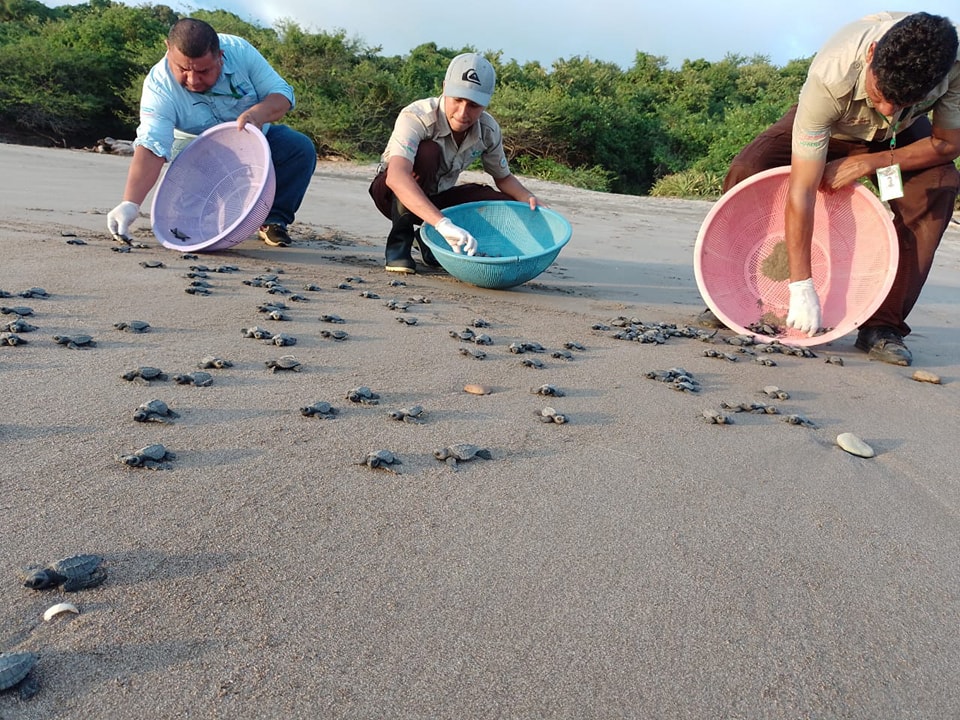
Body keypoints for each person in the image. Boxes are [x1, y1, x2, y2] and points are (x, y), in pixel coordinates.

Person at [722, 11, 960, 366]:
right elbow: (802, 190)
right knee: (748, 167)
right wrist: (802, 287)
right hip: (833, 126)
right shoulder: (830, 74)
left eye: (903, 101)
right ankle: (733, 296)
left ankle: (883, 326)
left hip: (898, 139)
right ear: (871, 54)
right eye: (880, 94)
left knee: (938, 186)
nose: (887, 108)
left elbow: (949, 143)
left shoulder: (952, 69)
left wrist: (870, 163)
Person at [107, 18, 316, 248]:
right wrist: (130, 202)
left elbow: (282, 94)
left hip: (254, 140)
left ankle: (273, 220)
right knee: (186, 222)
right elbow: (152, 146)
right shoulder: (159, 87)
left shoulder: (240, 51)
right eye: (183, 69)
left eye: (203, 70)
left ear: (220, 55)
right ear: (168, 48)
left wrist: (257, 114)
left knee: (299, 149)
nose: (193, 80)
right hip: (196, 151)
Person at [369, 52, 542, 273]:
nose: (463, 113)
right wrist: (443, 224)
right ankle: (399, 244)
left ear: (486, 102)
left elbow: (504, 177)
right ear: (444, 88)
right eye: (457, 100)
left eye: (473, 105)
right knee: (427, 152)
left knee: (495, 200)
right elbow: (397, 176)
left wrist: (528, 199)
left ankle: (428, 241)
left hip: (439, 197)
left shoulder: (488, 130)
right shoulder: (417, 116)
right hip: (392, 194)